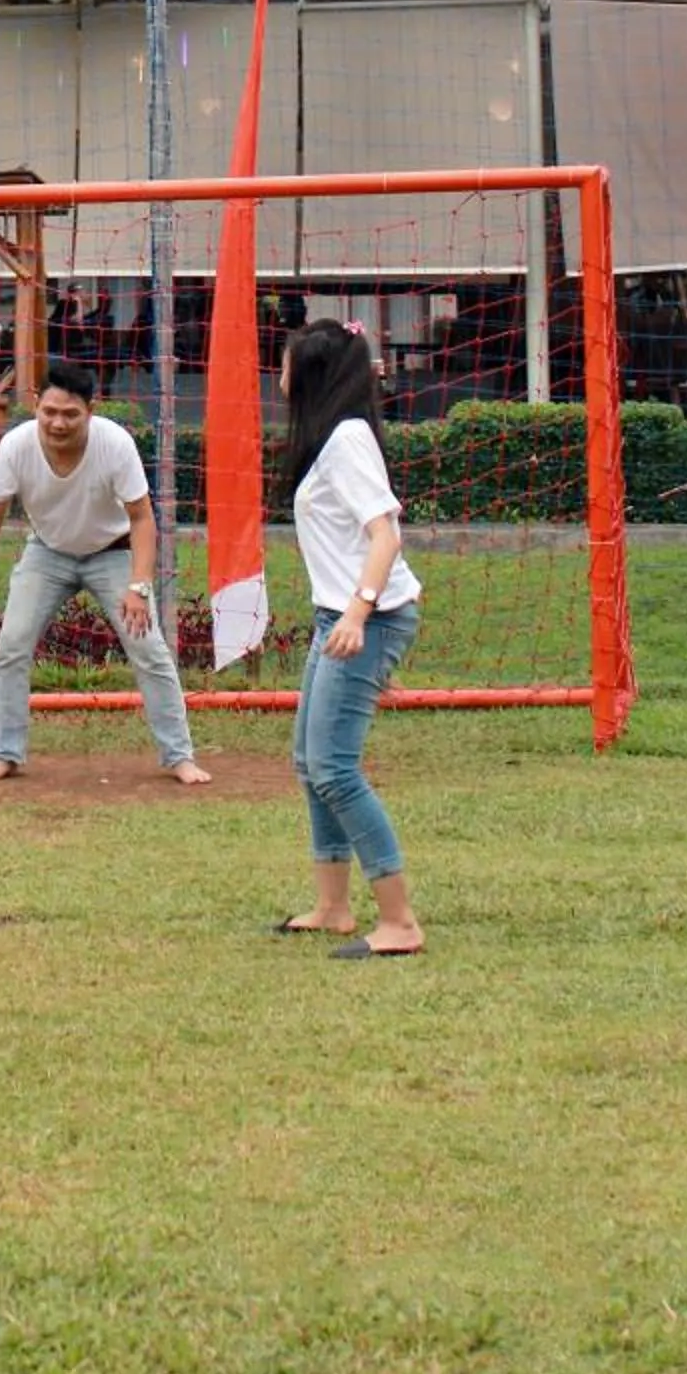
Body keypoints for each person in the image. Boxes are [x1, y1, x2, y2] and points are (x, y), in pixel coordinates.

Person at [0, 358, 209, 786]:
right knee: (12, 645)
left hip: (113, 552)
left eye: (70, 414)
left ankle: (179, 757)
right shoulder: (16, 446)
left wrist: (139, 586)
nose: (58, 423)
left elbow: (142, 518)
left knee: (148, 648)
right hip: (47, 552)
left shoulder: (115, 444)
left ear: (91, 410)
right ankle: (4, 754)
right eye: (49, 412)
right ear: (35, 405)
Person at [272, 320, 425, 958]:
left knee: (335, 767)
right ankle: (333, 907)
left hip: (367, 619)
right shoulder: (330, 439)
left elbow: (385, 535)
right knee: (310, 762)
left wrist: (359, 616)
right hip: (337, 617)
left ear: (310, 373)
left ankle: (400, 923)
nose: (277, 374)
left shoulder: (347, 440)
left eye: (283, 363)